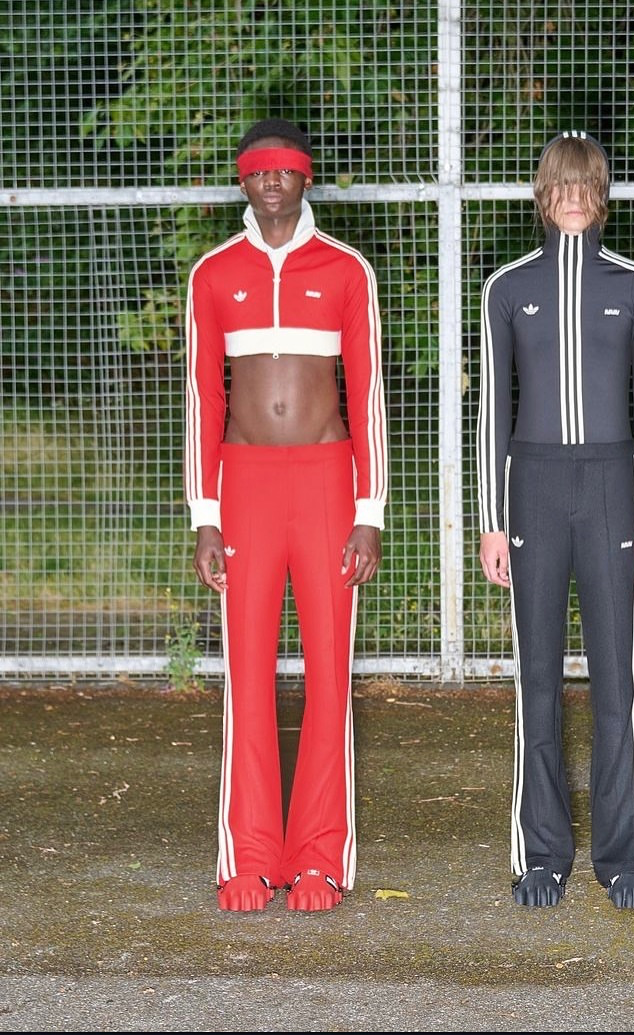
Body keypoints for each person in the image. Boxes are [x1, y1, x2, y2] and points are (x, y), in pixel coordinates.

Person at [184, 117, 388, 913]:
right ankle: (249, 856)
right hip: (245, 487)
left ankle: (319, 859)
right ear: (244, 180)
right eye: (259, 171)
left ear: (306, 178)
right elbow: (202, 399)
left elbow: (367, 394)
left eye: (286, 170)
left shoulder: (345, 269)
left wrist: (370, 509)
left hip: (327, 483)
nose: (272, 182)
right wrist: (204, 513)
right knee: (247, 673)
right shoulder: (213, 273)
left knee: (330, 672)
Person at [476, 130, 634, 911]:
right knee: (538, 679)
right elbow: (493, 411)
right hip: (534, 488)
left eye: (587, 184)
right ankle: (542, 854)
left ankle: (625, 858)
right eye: (562, 184)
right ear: (543, 193)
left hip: (613, 487)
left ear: (603, 194)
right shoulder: (506, 286)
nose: (574, 198)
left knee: (618, 676)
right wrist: (492, 520)